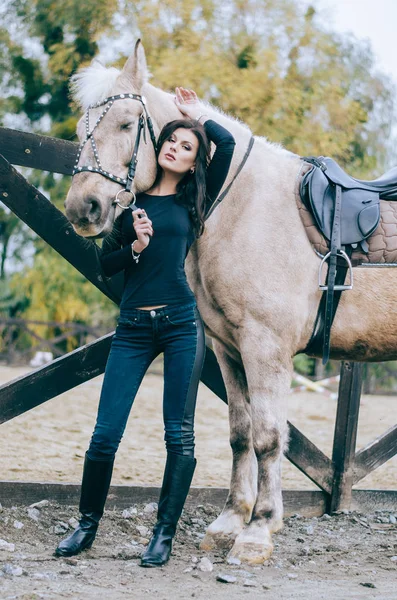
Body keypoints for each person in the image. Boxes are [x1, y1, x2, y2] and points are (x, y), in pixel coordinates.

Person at [55, 87, 235, 567]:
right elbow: (106, 266)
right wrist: (133, 245)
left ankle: (163, 535)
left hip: (180, 324)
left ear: (196, 161)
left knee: (179, 435)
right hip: (133, 328)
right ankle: (86, 526)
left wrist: (195, 114)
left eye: (187, 146)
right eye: (171, 141)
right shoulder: (127, 200)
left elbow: (229, 146)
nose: (175, 148)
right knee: (104, 434)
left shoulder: (196, 200)